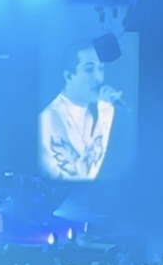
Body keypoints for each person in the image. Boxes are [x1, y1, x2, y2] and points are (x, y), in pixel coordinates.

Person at [39, 41, 123, 181]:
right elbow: (81, 177)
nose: (99, 78)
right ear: (69, 76)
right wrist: (106, 113)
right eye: (89, 69)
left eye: (101, 68)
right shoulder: (50, 117)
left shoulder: (88, 114)